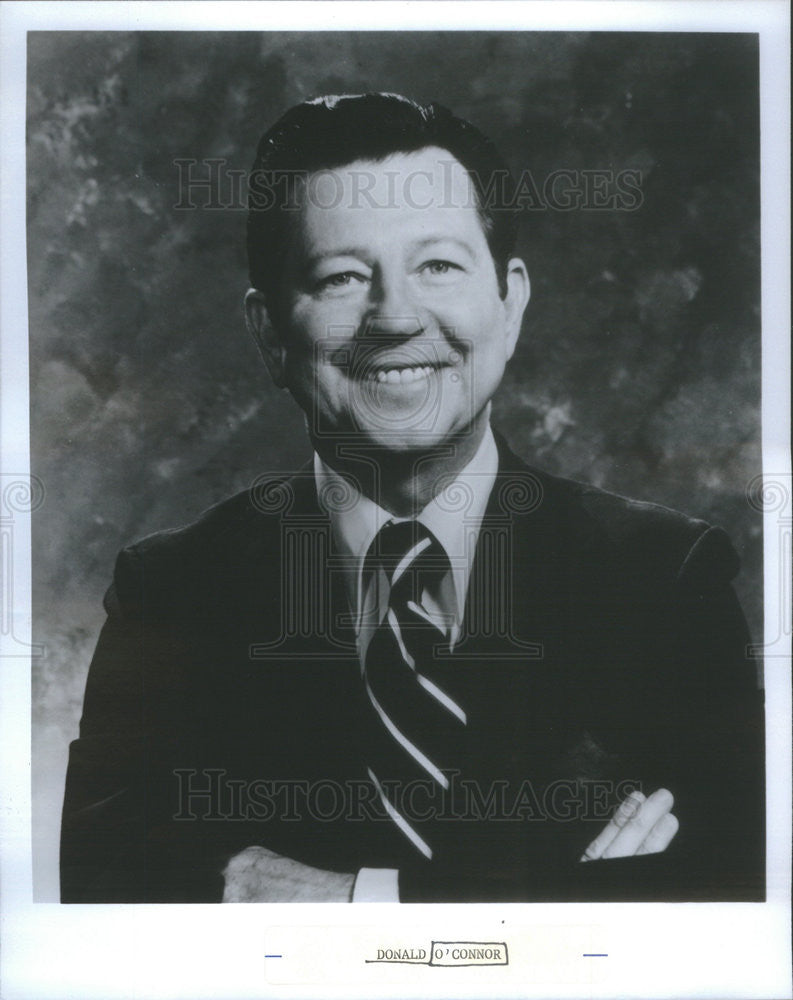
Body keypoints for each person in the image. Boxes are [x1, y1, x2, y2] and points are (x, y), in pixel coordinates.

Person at [60, 93, 764, 903]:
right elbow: (103, 895)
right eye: (342, 277)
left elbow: (734, 895)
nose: (394, 317)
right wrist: (565, 895)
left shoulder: (665, 578)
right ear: (267, 335)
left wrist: (352, 902)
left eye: (437, 266)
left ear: (510, 302)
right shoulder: (171, 594)